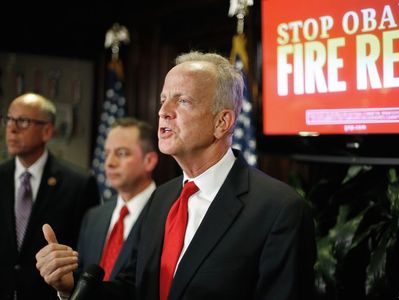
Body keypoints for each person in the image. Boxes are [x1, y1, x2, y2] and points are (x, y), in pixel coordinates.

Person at [36, 51, 316, 300]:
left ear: (222, 122)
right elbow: (132, 289)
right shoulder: (161, 198)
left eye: (182, 101)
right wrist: (70, 286)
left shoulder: (279, 210)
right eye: (163, 100)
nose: (162, 112)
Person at [39, 117, 158, 298]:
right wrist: (65, 287)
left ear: (149, 161)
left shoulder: (167, 214)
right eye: (107, 153)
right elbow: (81, 282)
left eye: (122, 153)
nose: (109, 163)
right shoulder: (93, 217)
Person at [0, 93, 100, 300]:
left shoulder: (79, 184)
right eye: (9, 119)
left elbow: (88, 253)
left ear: (47, 131)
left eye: (23, 121)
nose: (11, 128)